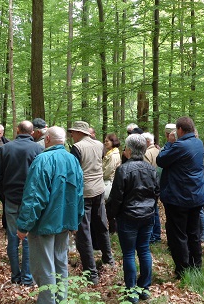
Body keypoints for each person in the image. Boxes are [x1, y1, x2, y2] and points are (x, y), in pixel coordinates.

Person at [16, 127, 84, 304]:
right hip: (65, 220)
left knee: (44, 266)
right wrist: (77, 219)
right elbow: (79, 194)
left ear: (47, 139)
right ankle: (61, 299)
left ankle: (47, 301)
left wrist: (24, 225)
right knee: (60, 262)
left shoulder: (42, 160)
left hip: (44, 223)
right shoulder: (73, 160)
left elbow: (34, 197)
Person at [107, 133, 159, 303]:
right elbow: (156, 192)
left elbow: (116, 197)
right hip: (147, 215)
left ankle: (132, 291)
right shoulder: (151, 169)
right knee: (144, 250)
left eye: (125, 148)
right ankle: (143, 288)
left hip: (128, 217)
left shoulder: (123, 170)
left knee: (130, 253)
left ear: (129, 150)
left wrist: (110, 215)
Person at [0, 120, 43, 285]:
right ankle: (26, 278)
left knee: (13, 238)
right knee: (27, 238)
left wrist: (4, 192)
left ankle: (16, 276)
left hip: (12, 199)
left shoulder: (5, 148)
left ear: (17, 130)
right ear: (32, 132)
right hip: (31, 200)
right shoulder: (38, 149)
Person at [156, 116, 204, 279]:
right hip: (196, 196)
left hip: (179, 197)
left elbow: (161, 160)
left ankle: (182, 269)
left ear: (180, 130)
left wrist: (169, 143)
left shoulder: (179, 145)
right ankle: (196, 265)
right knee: (193, 232)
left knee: (178, 234)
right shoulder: (198, 143)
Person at [69, 121, 115, 285]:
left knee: (84, 232)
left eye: (72, 132)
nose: (71, 135)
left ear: (79, 132)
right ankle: (108, 260)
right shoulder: (99, 145)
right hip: (99, 190)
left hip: (84, 193)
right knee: (102, 225)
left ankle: (91, 273)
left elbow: (73, 171)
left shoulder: (77, 148)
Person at [143, 132, 162, 244]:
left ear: (147, 141)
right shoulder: (158, 151)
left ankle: (151, 237)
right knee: (155, 211)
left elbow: (146, 172)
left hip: (150, 185)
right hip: (158, 184)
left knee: (150, 212)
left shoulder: (147, 153)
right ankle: (157, 235)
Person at [102, 133, 121, 201]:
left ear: (113, 142)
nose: (105, 143)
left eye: (107, 141)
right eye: (105, 141)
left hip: (108, 182)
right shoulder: (110, 153)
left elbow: (108, 171)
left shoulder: (113, 155)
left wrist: (99, 175)